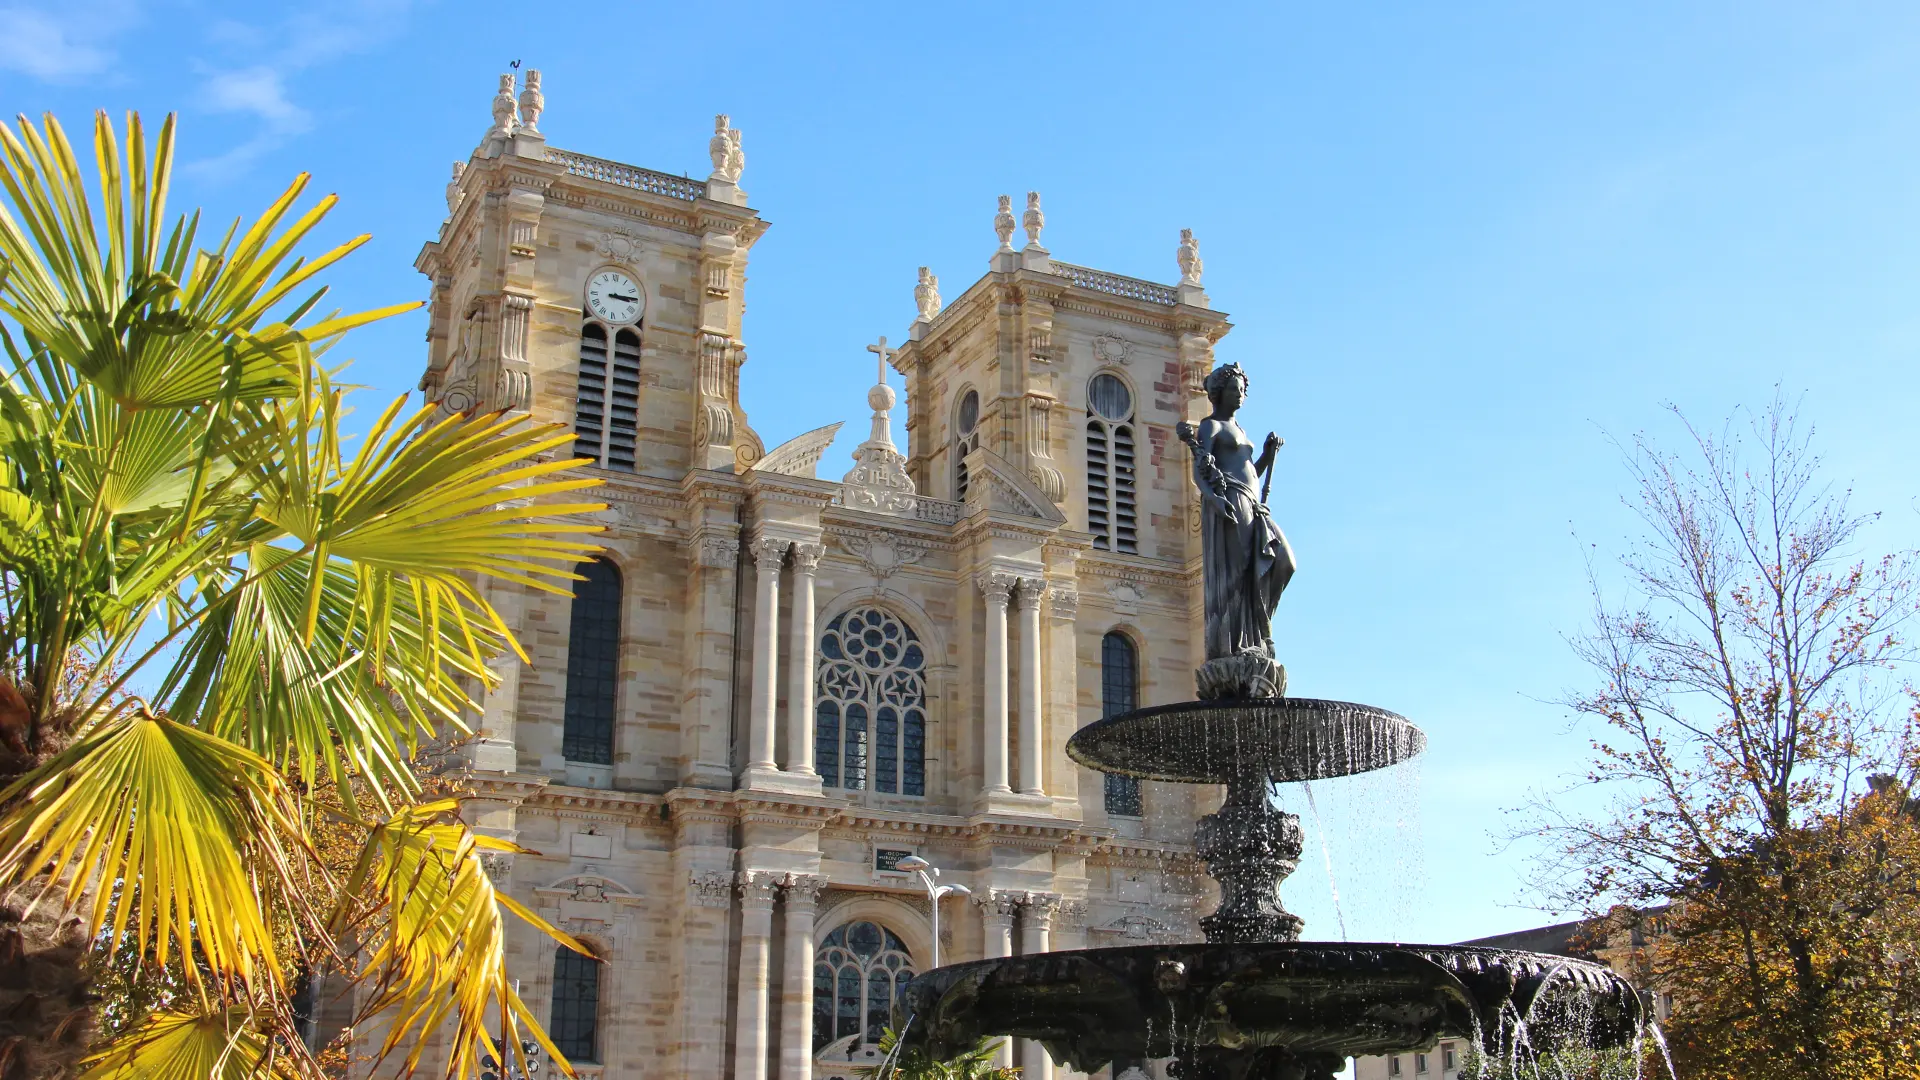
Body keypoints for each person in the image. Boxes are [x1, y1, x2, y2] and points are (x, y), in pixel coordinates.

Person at [1178, 363, 1295, 663]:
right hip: (1232, 502)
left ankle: (1259, 628)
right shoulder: (1210, 426)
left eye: (1243, 390)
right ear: (1219, 393)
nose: (1240, 396)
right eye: (1234, 389)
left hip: (1253, 504)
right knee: (1239, 571)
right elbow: (1200, 470)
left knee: (1284, 562)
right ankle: (1234, 643)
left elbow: (1249, 472)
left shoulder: (1240, 429)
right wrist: (1215, 501)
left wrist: (1267, 457)